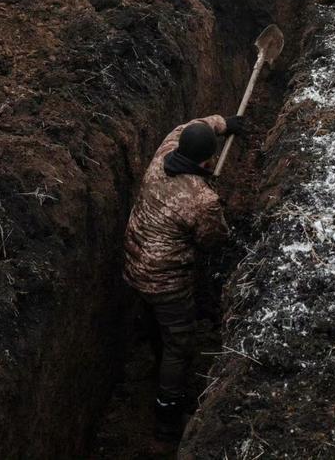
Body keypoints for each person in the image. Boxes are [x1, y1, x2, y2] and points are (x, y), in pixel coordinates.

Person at [123, 113, 245, 439]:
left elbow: (184, 126)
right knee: (180, 343)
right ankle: (167, 412)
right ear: (207, 162)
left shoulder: (163, 154)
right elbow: (213, 240)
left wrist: (222, 123)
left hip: (133, 263)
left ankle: (156, 362)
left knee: (154, 325)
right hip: (165, 282)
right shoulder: (201, 200)